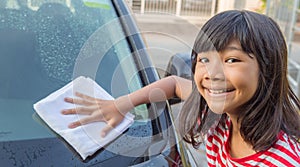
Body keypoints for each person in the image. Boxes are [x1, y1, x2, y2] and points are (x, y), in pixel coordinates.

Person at [61, 10, 300, 166]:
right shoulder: (220, 114)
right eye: (204, 60)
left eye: (231, 60)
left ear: (268, 69)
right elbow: (175, 84)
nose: (212, 75)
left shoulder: (282, 160)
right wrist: (120, 104)